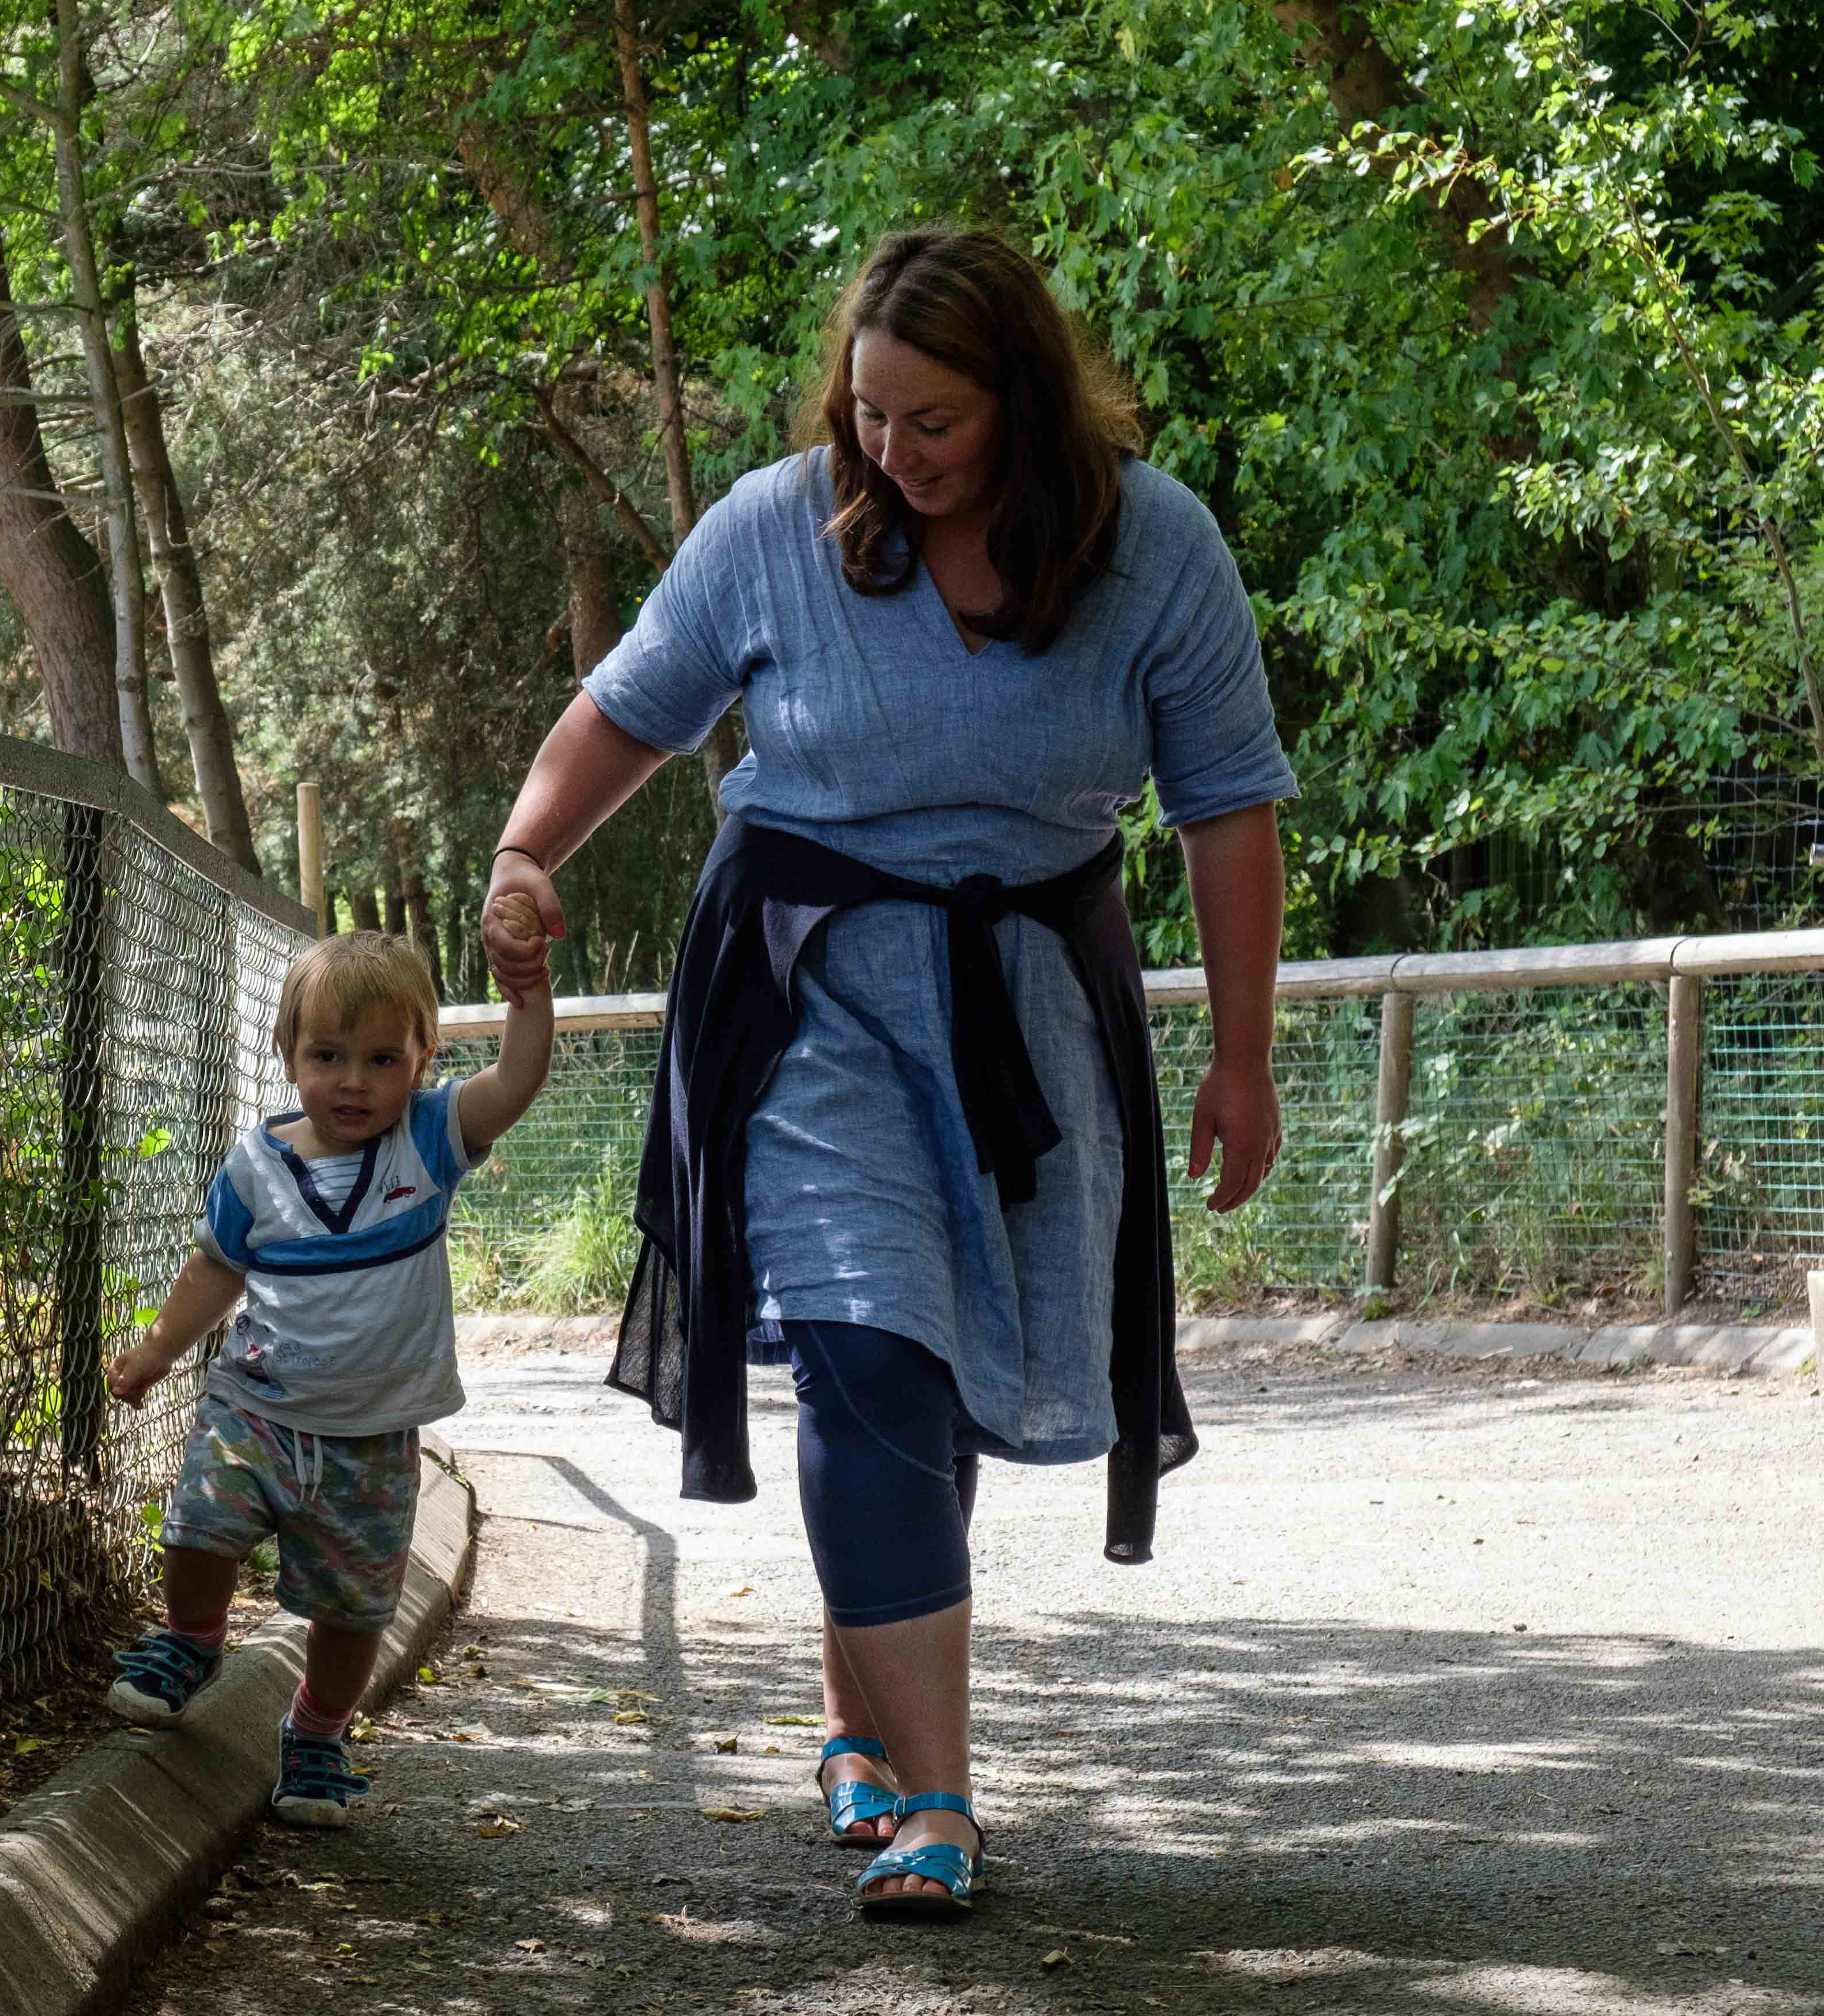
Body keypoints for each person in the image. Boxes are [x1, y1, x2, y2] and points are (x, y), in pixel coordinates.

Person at [479, 226, 1291, 1918]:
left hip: (1026, 993)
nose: (889, 454)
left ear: (1020, 401)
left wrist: (1238, 1052)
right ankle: (936, 1796)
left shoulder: (1151, 547)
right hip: (808, 985)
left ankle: (858, 1720)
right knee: (861, 1343)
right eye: (866, 416)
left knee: (948, 1354)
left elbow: (1225, 802)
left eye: (930, 422)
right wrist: (523, 852)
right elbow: (627, 709)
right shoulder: (776, 527)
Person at [101, 922, 554, 1825]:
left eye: (384, 1057)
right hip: (254, 1406)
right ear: (287, 1054)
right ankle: (191, 1641)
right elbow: (215, 1271)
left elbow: (515, 1080)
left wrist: (528, 992)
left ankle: (316, 1733)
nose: (354, 1079)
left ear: (424, 1059)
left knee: (353, 1611)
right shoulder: (254, 1168)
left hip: (371, 1433)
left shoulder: (426, 1142)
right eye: (328, 1054)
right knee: (197, 1526)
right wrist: (155, 1351)